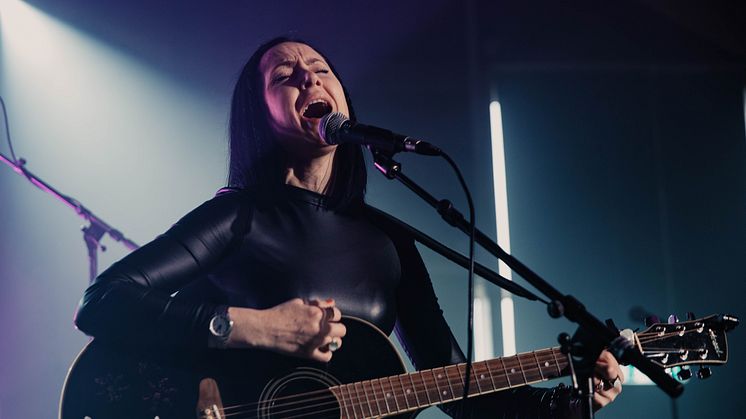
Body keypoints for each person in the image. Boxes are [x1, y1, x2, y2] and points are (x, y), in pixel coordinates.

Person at [74, 36, 623, 418]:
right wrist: (251, 327)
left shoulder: (389, 240)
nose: (308, 76)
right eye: (285, 76)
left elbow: (456, 388)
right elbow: (103, 301)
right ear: (258, 114)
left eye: (321, 68)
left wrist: (566, 403)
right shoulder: (237, 216)